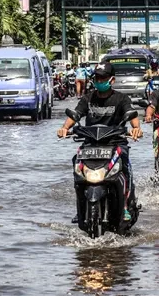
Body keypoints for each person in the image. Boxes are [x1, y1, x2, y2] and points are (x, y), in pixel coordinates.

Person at [57, 62, 143, 223]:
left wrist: (136, 129)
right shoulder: (88, 98)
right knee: (77, 163)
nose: (99, 81)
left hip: (115, 144)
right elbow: (75, 114)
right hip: (90, 145)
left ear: (112, 80)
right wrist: (64, 128)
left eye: (103, 78)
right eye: (97, 78)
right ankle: (81, 207)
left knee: (124, 165)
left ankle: (125, 205)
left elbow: (132, 116)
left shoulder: (121, 99)